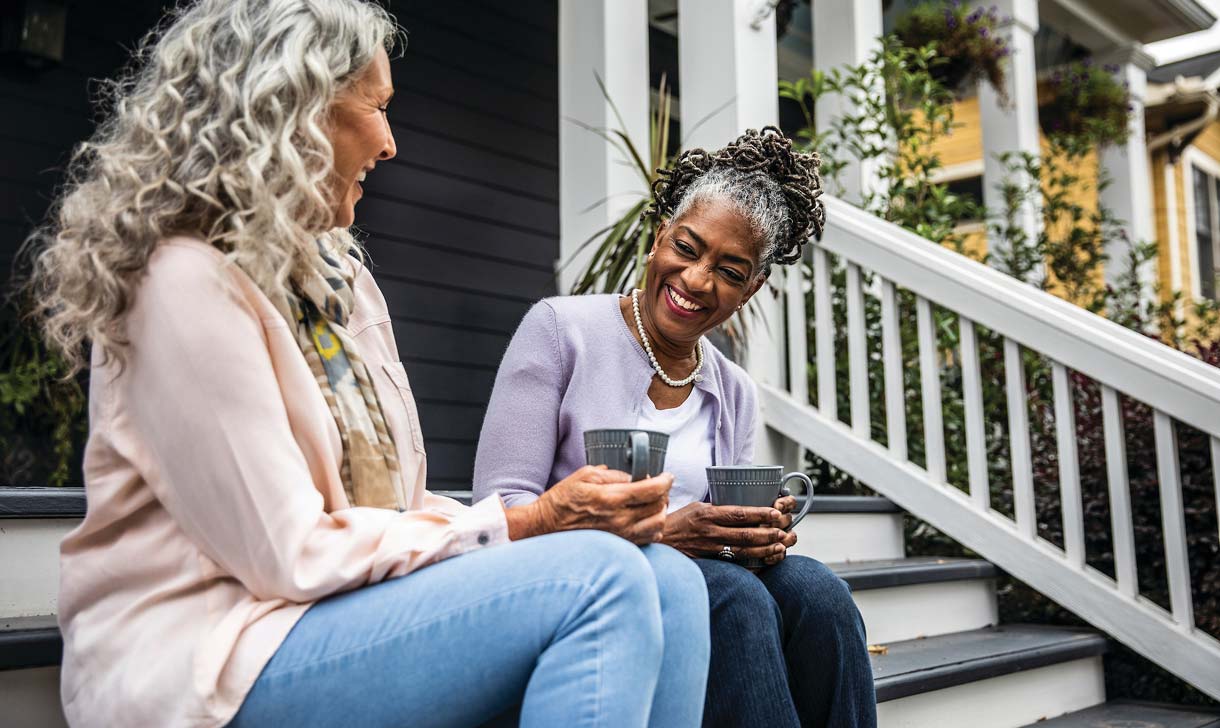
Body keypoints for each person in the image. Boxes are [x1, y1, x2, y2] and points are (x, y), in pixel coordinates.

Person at [27, 2, 710, 726]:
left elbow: (393, 511)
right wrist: (525, 523)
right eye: (376, 107)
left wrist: (545, 522)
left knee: (669, 579)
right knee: (599, 580)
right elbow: (287, 555)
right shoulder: (183, 280)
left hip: (339, 615)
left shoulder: (338, 278)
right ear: (288, 112)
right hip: (209, 657)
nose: (388, 143)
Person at [473, 128, 878, 728]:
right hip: (578, 578)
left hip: (699, 576)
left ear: (753, 287)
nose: (696, 280)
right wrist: (663, 535)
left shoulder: (733, 389)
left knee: (821, 594)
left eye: (730, 271)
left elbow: (718, 538)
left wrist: (754, 532)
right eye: (688, 249)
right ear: (661, 233)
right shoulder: (562, 330)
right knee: (732, 598)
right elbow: (500, 508)